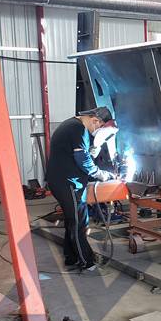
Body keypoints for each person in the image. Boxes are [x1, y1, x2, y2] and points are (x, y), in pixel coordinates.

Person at [45, 107, 118, 272]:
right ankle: (86, 261)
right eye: (99, 128)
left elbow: (80, 153)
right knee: (79, 223)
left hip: (66, 182)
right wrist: (100, 174)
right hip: (68, 183)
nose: (96, 132)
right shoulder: (78, 129)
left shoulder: (72, 125)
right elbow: (82, 159)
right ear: (95, 120)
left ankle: (71, 257)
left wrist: (93, 150)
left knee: (73, 221)